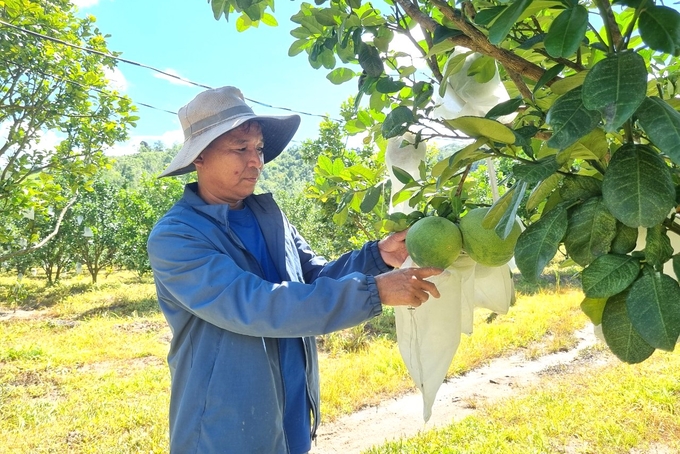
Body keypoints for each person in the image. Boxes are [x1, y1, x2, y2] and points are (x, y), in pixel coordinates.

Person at [147, 86, 442, 454]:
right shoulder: (177, 236)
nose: (256, 161)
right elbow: (255, 305)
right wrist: (375, 292)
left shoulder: (270, 217)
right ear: (200, 158)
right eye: (240, 148)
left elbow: (312, 277)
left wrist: (377, 257)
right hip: (223, 428)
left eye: (258, 149)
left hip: (290, 414)